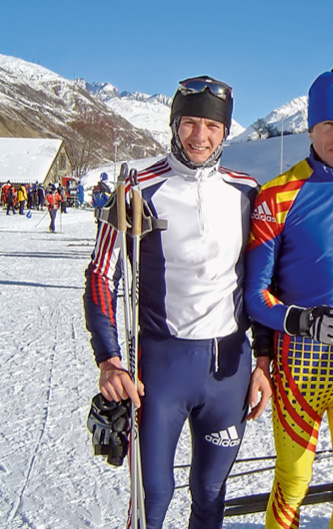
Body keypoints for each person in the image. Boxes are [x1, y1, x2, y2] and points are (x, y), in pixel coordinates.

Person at [83, 75, 268, 529]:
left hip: (228, 368)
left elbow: (263, 280)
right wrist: (109, 360)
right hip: (160, 368)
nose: (200, 136)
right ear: (174, 125)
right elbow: (102, 276)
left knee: (210, 494)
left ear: (226, 131)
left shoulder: (246, 190)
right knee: (152, 497)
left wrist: (263, 359)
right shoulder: (138, 188)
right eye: (189, 123)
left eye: (212, 126)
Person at [244, 66, 333, 529]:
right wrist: (302, 322)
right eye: (327, 124)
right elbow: (254, 295)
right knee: (293, 480)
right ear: (311, 128)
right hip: (299, 366)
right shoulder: (278, 194)